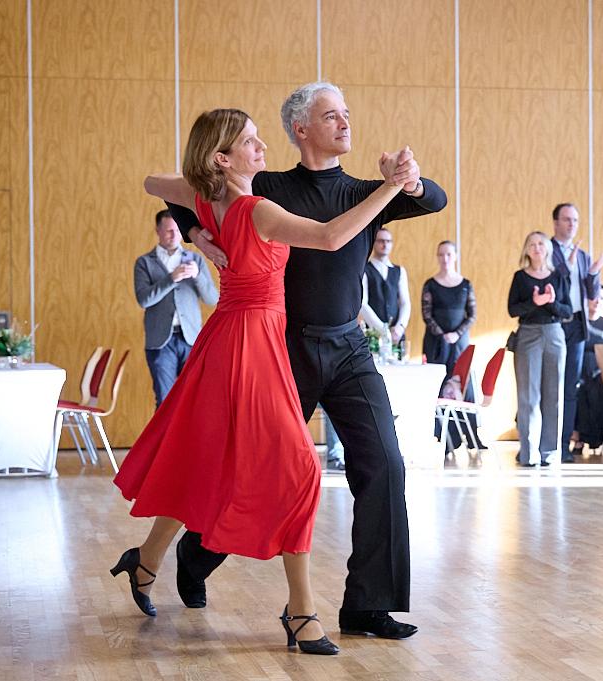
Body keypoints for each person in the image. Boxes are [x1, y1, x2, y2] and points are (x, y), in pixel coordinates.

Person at [112, 107, 409, 655]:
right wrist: (390, 188)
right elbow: (329, 236)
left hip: (231, 341)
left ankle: (147, 560)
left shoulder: (209, 198)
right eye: (250, 143)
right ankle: (301, 612)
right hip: (250, 347)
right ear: (222, 158)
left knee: (205, 461)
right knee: (299, 471)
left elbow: (152, 182)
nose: (263, 149)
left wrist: (200, 231)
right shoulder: (255, 209)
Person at [170, 82, 447, 639]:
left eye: (347, 113)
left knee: (385, 465)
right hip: (282, 348)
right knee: (251, 469)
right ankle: (194, 557)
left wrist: (409, 180)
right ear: (300, 129)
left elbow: (433, 198)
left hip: (349, 351)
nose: (345, 122)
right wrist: (201, 234)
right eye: (331, 116)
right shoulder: (266, 186)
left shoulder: (365, 192)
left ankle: (367, 605)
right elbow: (181, 195)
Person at [134, 210, 219, 407]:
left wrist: (197, 275)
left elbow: (212, 298)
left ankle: (192, 439)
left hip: (191, 340)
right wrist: (171, 279)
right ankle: (164, 439)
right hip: (160, 342)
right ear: (158, 231)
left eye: (177, 230)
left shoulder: (195, 260)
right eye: (168, 231)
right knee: (165, 401)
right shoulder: (145, 263)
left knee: (194, 398)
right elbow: (143, 300)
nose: (174, 235)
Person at [508, 231, 572, 467]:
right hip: (528, 334)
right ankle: (529, 453)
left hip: (554, 334)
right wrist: (534, 303)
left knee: (554, 395)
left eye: (541, 244)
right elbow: (512, 310)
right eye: (532, 244)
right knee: (528, 396)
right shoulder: (520, 277)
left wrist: (551, 302)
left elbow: (567, 311)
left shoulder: (559, 277)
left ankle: (549, 452)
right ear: (526, 249)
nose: (537, 248)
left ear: (548, 249)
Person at [549, 203, 603, 462]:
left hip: (578, 324)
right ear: (556, 223)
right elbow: (549, 284)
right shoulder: (546, 250)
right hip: (554, 323)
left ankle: (563, 446)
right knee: (550, 387)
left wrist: (594, 273)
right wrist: (567, 267)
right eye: (567, 219)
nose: (572, 225)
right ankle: (545, 444)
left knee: (571, 388)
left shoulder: (582, 255)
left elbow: (592, 293)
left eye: (576, 220)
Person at [420, 241, 481, 454]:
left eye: (448, 254)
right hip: (436, 342)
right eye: (441, 255)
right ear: (438, 257)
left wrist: (456, 334)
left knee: (464, 387)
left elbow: (472, 314)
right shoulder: (430, 284)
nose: (445, 259)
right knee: (437, 387)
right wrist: (443, 334)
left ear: (454, 256)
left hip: (460, 342)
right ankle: (442, 439)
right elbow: (426, 314)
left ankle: (472, 436)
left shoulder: (466, 284)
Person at [571, 285, 603, 454]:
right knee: (580, 390)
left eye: (602, 298)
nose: (598, 301)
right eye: (595, 297)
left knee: (601, 392)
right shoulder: (578, 322)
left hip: (601, 373)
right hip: (578, 369)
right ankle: (578, 439)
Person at [360, 228, 411, 356]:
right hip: (373, 333)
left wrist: (400, 327)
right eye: (381, 241)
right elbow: (362, 303)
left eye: (388, 241)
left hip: (397, 335)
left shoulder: (399, 271)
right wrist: (382, 329)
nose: (385, 244)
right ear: (374, 243)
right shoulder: (364, 269)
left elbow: (405, 302)